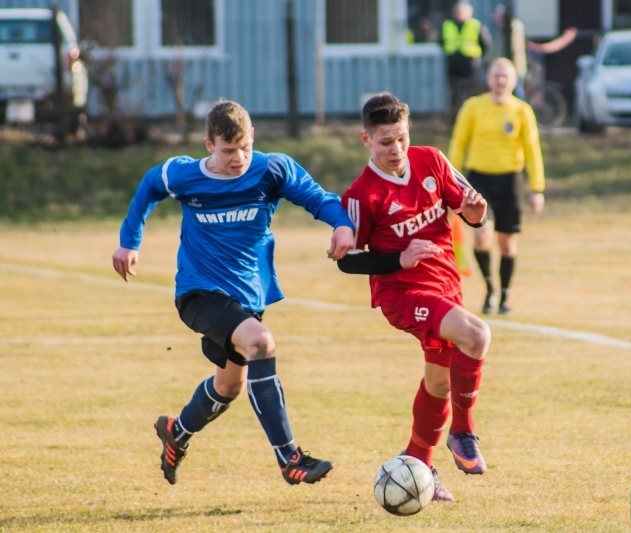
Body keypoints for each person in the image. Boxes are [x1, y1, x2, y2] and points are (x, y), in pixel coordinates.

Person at [111, 99, 355, 486]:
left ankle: (177, 432)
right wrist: (129, 241)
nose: (239, 158)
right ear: (209, 145)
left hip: (246, 297)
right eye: (228, 150)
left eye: (245, 147)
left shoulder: (272, 169)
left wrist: (341, 224)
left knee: (229, 385)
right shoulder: (184, 174)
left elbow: (319, 198)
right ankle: (289, 458)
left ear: (253, 136)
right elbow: (150, 186)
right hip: (198, 292)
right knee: (260, 343)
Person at [337, 92, 490, 502]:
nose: (396, 149)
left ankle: (417, 463)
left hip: (446, 285)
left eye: (401, 138)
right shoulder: (361, 194)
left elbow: (473, 213)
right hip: (402, 293)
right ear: (365, 140)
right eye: (386, 141)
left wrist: (476, 211)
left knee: (439, 382)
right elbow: (348, 263)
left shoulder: (433, 161)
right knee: (476, 335)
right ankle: (463, 433)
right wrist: (400, 259)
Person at [447, 58, 545, 315]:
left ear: (514, 81)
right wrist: (448, 185)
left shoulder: (522, 111)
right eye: (496, 75)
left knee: (507, 243)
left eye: (506, 76)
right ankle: (490, 288)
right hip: (478, 181)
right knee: (481, 236)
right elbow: (459, 144)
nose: (500, 81)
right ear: (488, 79)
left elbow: (533, 150)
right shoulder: (473, 107)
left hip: (510, 181)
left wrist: (537, 188)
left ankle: (505, 295)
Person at [440, 2, 492, 123]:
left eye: (461, 11)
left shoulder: (476, 26)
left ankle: (474, 121)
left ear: (469, 13)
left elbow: (486, 45)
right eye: (457, 11)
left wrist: (478, 60)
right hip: (453, 68)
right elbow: (442, 42)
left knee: (472, 97)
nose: (459, 14)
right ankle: (453, 123)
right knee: (454, 98)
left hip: (470, 68)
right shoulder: (447, 25)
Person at [489, 3, 528, 98]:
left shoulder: (514, 26)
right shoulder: (498, 31)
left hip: (516, 67)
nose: (495, 18)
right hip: (501, 68)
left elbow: (516, 47)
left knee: (518, 92)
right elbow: (495, 50)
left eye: (497, 15)